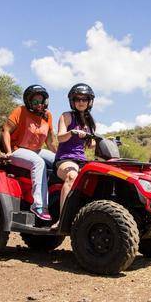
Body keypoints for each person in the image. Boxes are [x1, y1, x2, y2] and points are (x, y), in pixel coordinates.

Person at [1, 84, 57, 221]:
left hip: (36, 150)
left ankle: (56, 200)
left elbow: (50, 142)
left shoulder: (48, 116)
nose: (39, 104)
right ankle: (39, 205)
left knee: (58, 161)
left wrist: (61, 156)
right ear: (29, 102)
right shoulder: (20, 111)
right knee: (38, 163)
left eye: (41, 101)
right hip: (18, 149)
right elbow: (6, 130)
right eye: (35, 101)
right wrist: (8, 151)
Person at [53, 83, 97, 225]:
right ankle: (62, 220)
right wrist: (72, 132)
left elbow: (91, 146)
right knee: (72, 176)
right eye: (77, 99)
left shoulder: (90, 121)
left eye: (84, 99)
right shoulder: (66, 116)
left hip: (82, 160)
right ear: (72, 101)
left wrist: (93, 140)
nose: (81, 102)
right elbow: (59, 137)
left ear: (89, 101)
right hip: (65, 159)